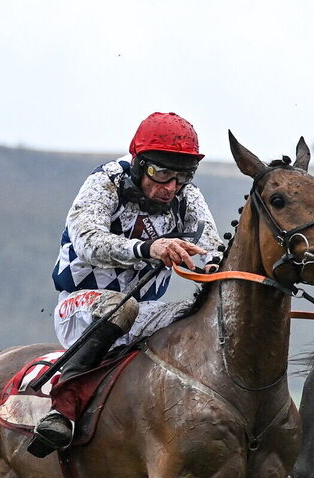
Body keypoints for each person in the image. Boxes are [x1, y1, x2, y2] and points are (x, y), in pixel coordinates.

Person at [30, 112, 222, 457]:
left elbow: (211, 245)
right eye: (161, 173)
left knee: (201, 313)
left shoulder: (187, 196)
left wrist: (214, 264)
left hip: (145, 311)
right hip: (82, 307)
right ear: (138, 163)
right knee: (122, 306)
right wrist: (148, 248)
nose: (170, 187)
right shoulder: (105, 182)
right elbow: (88, 240)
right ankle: (62, 407)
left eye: (182, 176)